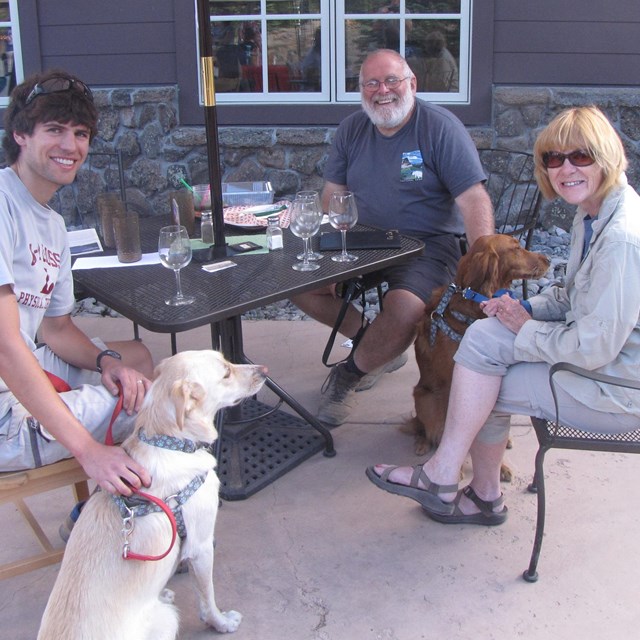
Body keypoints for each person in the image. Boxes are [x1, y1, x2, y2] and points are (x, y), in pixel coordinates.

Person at [367, 106, 640, 525]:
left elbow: (593, 348)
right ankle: (473, 489)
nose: (565, 168)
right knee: (483, 340)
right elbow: (572, 297)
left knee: (478, 381)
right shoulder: (594, 212)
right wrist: (523, 308)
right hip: (597, 361)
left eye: (580, 156)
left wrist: (526, 330)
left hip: (615, 387)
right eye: (553, 159)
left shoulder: (620, 239)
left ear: (606, 155)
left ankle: (456, 482)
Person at [290, 49, 494, 426]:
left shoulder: (439, 127)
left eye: (391, 81)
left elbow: (473, 198)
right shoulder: (352, 128)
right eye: (371, 83)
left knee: (406, 310)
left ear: (412, 83)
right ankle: (374, 343)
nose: (382, 91)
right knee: (297, 283)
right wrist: (331, 254)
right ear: (361, 90)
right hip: (359, 237)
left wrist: (484, 266)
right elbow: (332, 194)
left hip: (426, 244)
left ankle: (349, 374)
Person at [0, 69, 154, 498]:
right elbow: (6, 347)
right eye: (54, 130)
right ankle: (118, 508)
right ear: (20, 134)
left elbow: (56, 329)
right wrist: (88, 451)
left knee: (134, 362)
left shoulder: (51, 223)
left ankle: (96, 506)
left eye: (81, 133)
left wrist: (107, 361)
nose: (71, 146)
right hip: (4, 418)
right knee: (158, 407)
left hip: (25, 371)